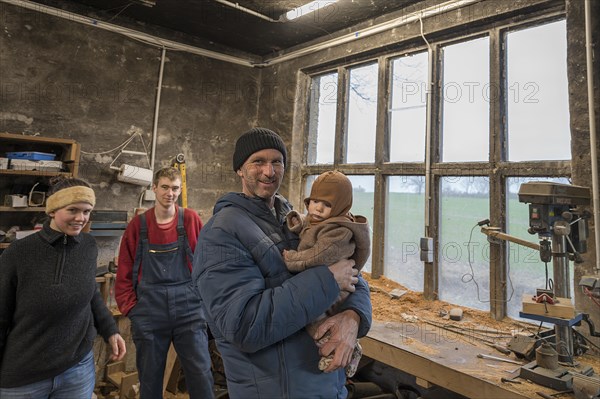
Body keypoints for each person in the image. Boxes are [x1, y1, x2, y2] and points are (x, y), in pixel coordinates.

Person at [193, 127, 372, 399]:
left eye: (277, 161)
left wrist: (353, 316)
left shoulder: (294, 220)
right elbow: (244, 326)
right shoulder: (222, 233)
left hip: (325, 387)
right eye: (258, 162)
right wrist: (327, 281)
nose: (269, 171)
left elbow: (349, 270)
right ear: (240, 169)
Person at [0, 177, 126, 398]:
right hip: (24, 375)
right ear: (52, 210)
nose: (81, 218)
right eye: (73, 210)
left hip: (77, 368)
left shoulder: (88, 246)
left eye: (86, 211)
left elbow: (91, 294)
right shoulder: (18, 253)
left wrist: (110, 330)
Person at [115, 167, 214, 399]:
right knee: (149, 379)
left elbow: (207, 264)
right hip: (149, 312)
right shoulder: (137, 226)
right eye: (165, 187)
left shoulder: (190, 220)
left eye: (175, 188)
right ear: (154, 189)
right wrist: (132, 309)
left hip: (189, 311)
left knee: (201, 374)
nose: (170, 193)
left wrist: (203, 303)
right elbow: (124, 272)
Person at [283, 170, 371, 377]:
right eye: (314, 201)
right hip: (325, 282)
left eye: (327, 204)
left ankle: (339, 352)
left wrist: (291, 259)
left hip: (335, 288)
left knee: (315, 321)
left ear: (340, 207)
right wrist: (298, 221)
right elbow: (312, 227)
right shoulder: (325, 221)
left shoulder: (338, 231)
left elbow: (318, 255)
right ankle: (346, 349)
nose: (318, 208)